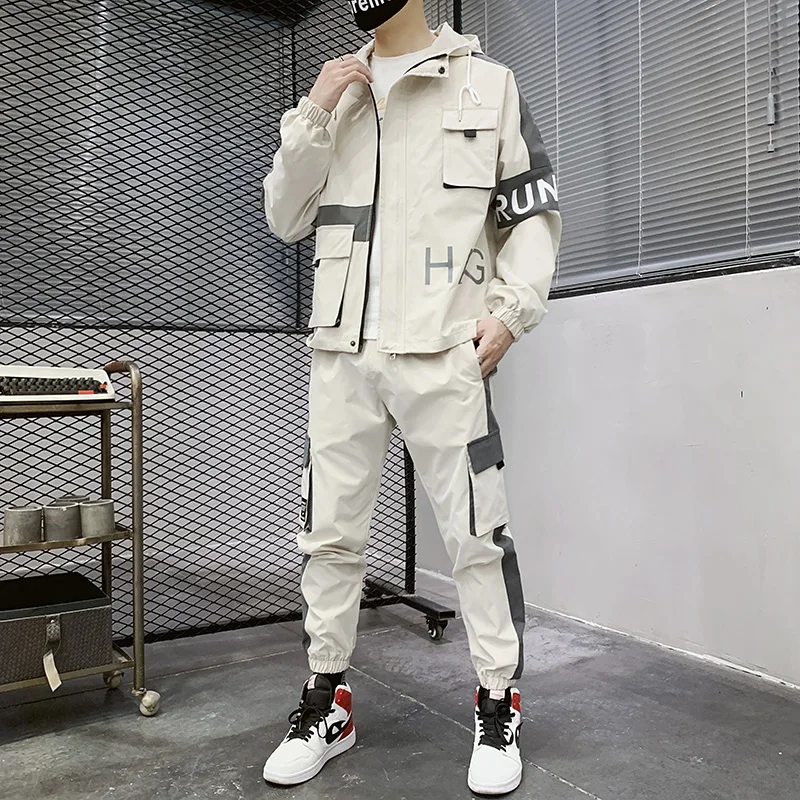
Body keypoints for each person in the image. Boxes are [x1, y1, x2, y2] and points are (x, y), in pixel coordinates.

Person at [261, 0, 561, 794]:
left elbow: (531, 213)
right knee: (328, 536)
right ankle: (327, 701)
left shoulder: (489, 85)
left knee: (476, 534)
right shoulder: (339, 93)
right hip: (344, 353)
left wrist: (510, 313)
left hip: (444, 348)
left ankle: (497, 702)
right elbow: (284, 215)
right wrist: (314, 111)